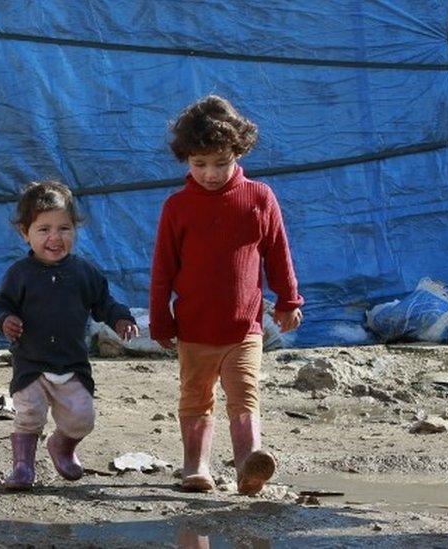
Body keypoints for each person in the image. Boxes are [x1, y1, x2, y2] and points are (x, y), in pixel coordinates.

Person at [149, 95, 304, 496]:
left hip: (244, 328)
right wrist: (160, 319)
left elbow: (277, 252)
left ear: (238, 151)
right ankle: (195, 466)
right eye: (199, 164)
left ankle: (249, 466)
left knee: (244, 395)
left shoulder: (259, 198)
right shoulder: (177, 207)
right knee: (196, 398)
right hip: (195, 328)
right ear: (186, 160)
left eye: (221, 162)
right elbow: (163, 269)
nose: (211, 173)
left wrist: (289, 301)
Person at [0, 180, 139, 490]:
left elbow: (104, 303)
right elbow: (0, 304)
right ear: (24, 232)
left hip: (71, 363)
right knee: (29, 414)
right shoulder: (19, 274)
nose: (55, 237)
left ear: (75, 229)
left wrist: (121, 318)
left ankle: (62, 446)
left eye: (64, 228)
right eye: (44, 229)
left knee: (82, 418)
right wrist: (6, 320)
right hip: (31, 362)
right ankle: (22, 466)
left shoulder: (85, 273)